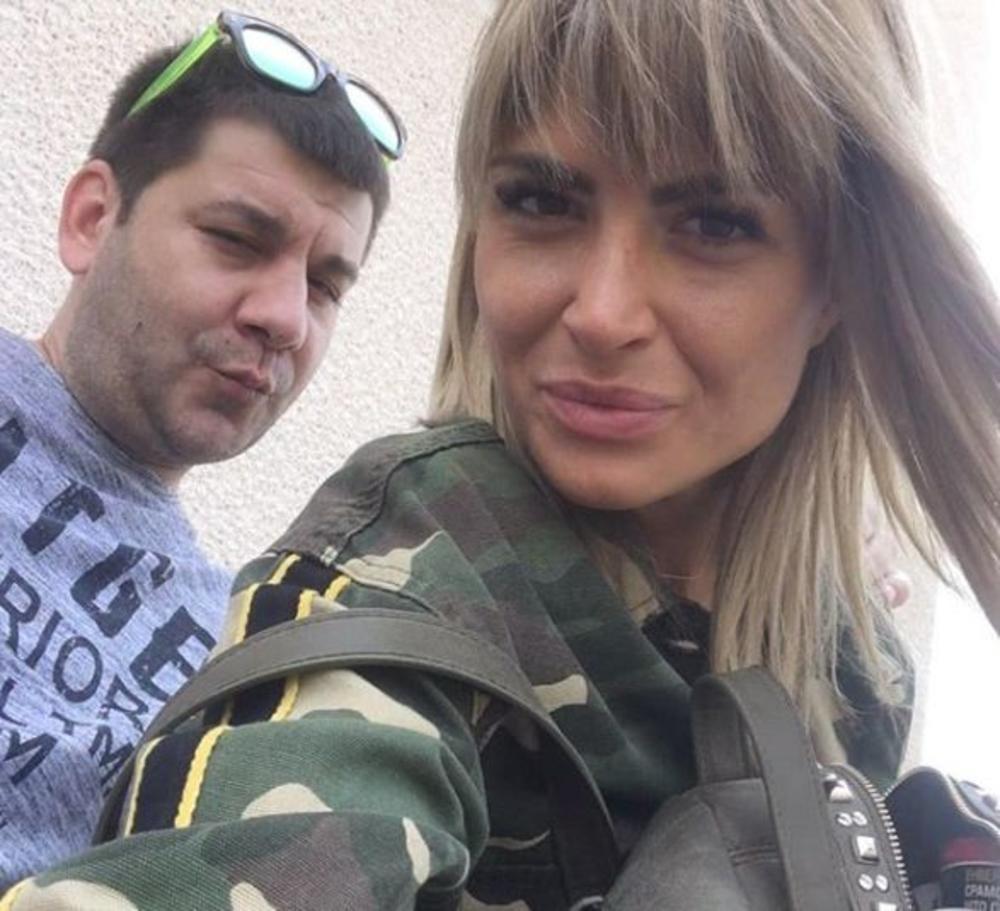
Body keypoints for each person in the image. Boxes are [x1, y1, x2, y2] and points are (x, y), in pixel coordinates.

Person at [5, 0, 998, 907]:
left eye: (714, 222)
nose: (601, 312)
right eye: (541, 201)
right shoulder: (411, 571)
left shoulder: (861, 670)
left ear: (839, 282)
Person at [0, 10, 402, 889]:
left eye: (325, 285)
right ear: (91, 218)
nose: (285, 317)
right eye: (237, 239)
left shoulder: (241, 652)